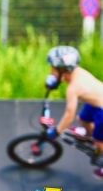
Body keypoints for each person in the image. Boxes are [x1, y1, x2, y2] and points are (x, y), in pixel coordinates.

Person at [44, 45, 103, 179]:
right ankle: (89, 134)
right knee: (83, 119)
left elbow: (69, 115)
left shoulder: (73, 88)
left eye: (53, 68)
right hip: (96, 102)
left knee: (100, 141)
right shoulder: (77, 71)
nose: (51, 71)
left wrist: (57, 131)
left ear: (63, 69)